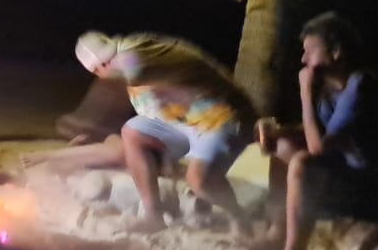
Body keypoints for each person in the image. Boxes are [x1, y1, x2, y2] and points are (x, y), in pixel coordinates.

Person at [257, 13, 378, 250]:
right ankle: (278, 235)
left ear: (336, 52)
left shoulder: (362, 88)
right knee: (284, 145)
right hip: (361, 178)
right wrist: (279, 134)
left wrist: (304, 93)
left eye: (310, 51)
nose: (303, 60)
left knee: (303, 163)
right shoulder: (332, 89)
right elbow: (322, 135)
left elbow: (318, 148)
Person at [75, 31, 257, 235]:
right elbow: (154, 113)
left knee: (198, 180)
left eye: (106, 63)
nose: (106, 70)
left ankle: (239, 218)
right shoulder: (133, 75)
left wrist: (83, 119)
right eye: (101, 67)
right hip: (190, 123)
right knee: (133, 132)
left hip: (223, 117)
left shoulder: (137, 52)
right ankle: (154, 218)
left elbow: (127, 67)